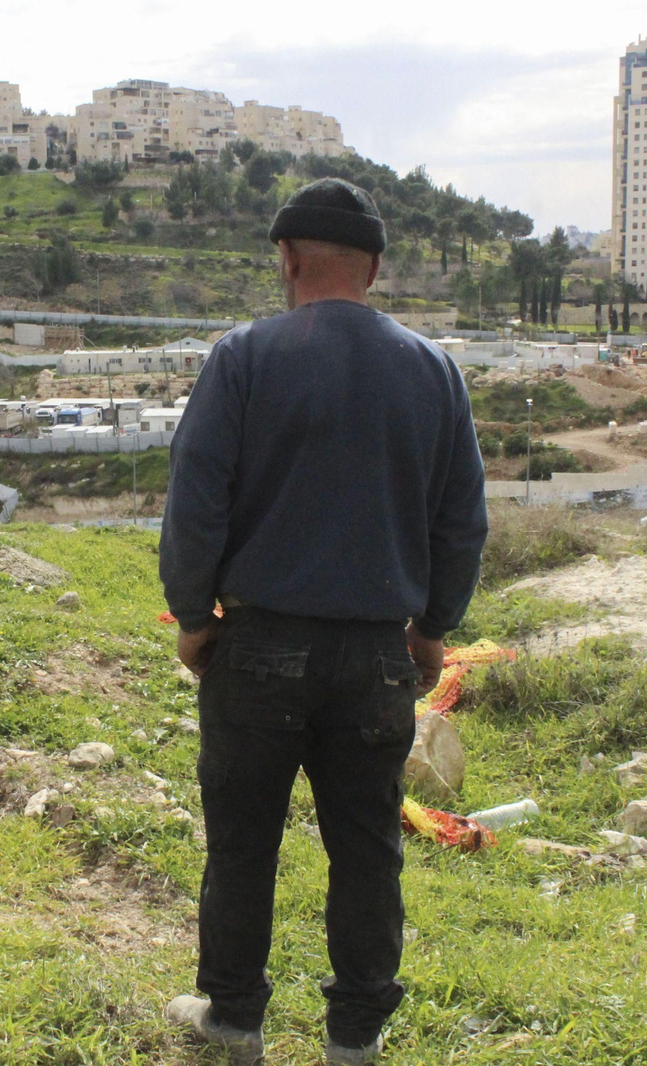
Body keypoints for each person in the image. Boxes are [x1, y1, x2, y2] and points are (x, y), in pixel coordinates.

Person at [158, 177, 489, 1065]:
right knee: (368, 848)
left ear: (288, 259)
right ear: (375, 269)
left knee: (241, 845)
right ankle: (355, 1039)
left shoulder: (243, 357)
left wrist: (194, 617)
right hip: (379, 656)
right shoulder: (432, 369)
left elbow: (196, 503)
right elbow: (461, 521)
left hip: (257, 646)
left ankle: (232, 1022)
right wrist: (431, 629)